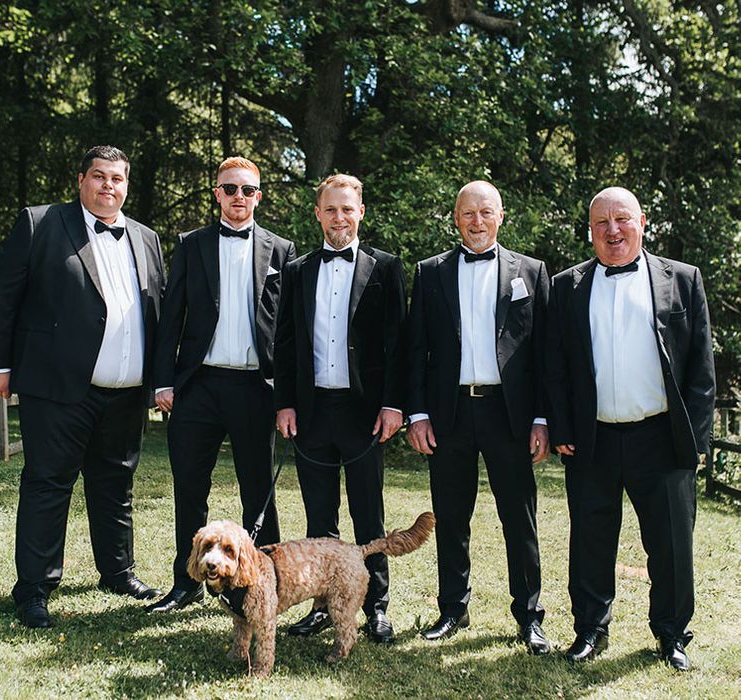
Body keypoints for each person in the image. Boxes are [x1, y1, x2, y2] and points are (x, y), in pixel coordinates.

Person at [0, 145, 166, 628]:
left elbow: (158, 315)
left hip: (126, 391)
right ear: (81, 179)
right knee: (48, 483)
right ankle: (35, 589)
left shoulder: (146, 238)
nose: (109, 186)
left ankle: (118, 571)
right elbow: (3, 296)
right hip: (59, 387)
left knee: (115, 484)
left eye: (118, 179)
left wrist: (159, 382)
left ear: (127, 185)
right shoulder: (40, 224)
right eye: (99, 176)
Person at [544, 187, 715, 671]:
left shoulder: (682, 279)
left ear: (642, 222)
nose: (613, 230)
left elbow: (701, 369)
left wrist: (696, 441)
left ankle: (671, 634)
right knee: (591, 540)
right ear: (590, 231)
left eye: (622, 220)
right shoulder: (567, 286)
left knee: (670, 547)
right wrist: (561, 426)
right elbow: (554, 366)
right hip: (592, 438)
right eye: (602, 223)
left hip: (661, 438)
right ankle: (590, 630)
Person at [406, 180, 551, 654]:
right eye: (468, 213)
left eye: (486, 212)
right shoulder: (430, 274)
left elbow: (546, 356)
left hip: (509, 413)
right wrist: (419, 414)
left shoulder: (531, 271)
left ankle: (529, 616)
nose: (477, 221)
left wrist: (542, 419)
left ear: (501, 216)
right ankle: (453, 608)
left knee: (519, 516)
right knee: (451, 517)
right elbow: (416, 349)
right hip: (449, 412)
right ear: (455, 218)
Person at [147, 156, 296, 613]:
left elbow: (290, 330)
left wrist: (287, 396)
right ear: (217, 194)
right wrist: (162, 382)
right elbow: (171, 317)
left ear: (258, 196)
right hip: (199, 385)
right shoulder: (191, 244)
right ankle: (185, 582)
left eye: (247, 190)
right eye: (229, 188)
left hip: (256, 388)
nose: (238, 197)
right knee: (190, 486)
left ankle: (265, 586)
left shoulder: (281, 249)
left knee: (258, 491)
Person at [274, 174, 406, 643]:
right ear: (318, 214)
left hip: (364, 412)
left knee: (369, 514)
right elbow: (286, 343)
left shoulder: (385, 267)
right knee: (319, 518)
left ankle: (376, 607)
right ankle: (323, 606)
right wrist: (285, 403)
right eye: (331, 209)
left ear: (361, 212)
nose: (339, 218)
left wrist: (394, 405)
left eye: (347, 209)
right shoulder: (297, 269)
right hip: (311, 412)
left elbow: (397, 344)